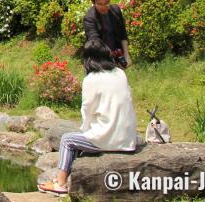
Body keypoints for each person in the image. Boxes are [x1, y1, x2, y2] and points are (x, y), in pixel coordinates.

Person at [38, 38, 137, 195]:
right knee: (79, 140)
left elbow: (87, 111)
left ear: (88, 59)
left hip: (109, 139)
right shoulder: (120, 73)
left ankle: (60, 184)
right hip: (129, 139)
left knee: (67, 140)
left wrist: (86, 131)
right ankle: (64, 180)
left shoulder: (91, 79)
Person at [84, 0, 130, 68]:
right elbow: (95, 42)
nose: (103, 7)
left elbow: (123, 34)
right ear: (93, 2)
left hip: (117, 57)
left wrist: (126, 55)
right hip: (98, 59)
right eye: (99, 4)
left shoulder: (116, 10)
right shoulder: (89, 18)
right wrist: (110, 57)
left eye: (106, 3)